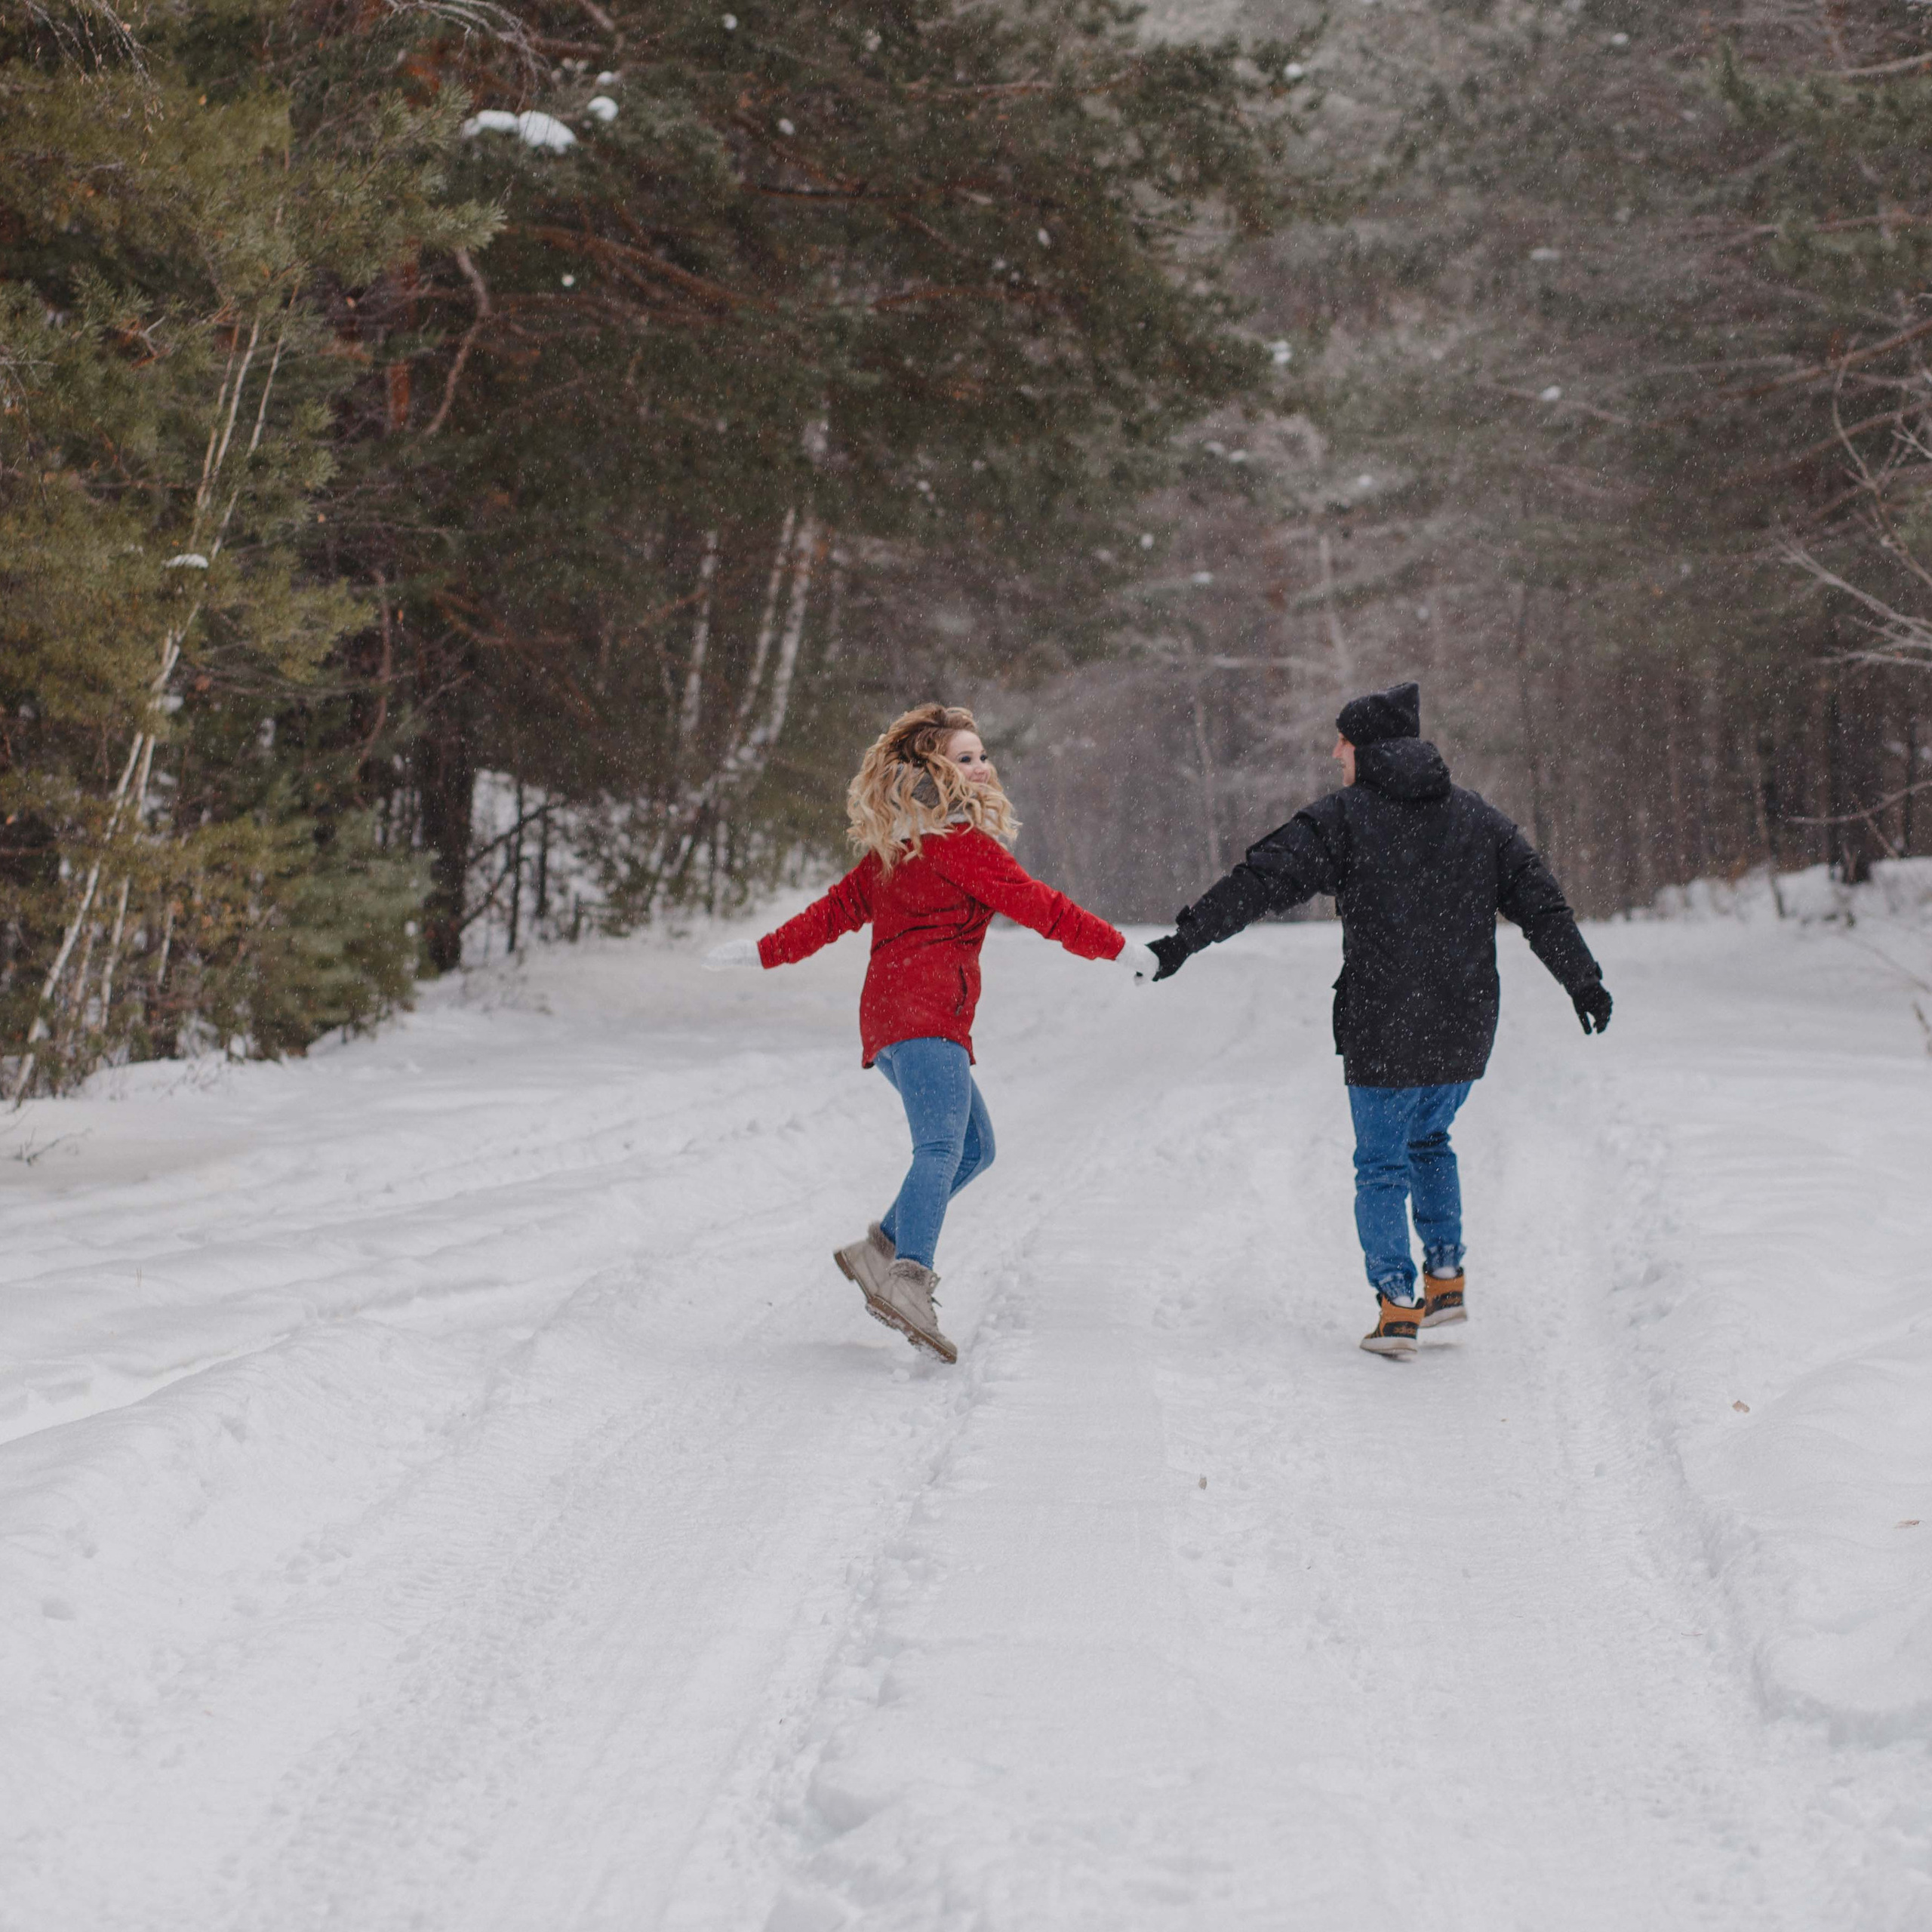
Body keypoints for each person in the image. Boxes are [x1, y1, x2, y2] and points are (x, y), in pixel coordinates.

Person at [1146, 681, 1612, 1360]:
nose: (1335, 752)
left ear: (1366, 748)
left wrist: (1185, 939)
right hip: (1464, 1025)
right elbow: (1542, 904)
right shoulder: (1479, 820)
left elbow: (1262, 878)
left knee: (1381, 1167)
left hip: (1383, 1021)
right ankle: (1445, 1276)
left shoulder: (1344, 819)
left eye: (1343, 741)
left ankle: (1398, 1303)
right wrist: (1584, 979)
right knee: (1431, 1137)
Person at [706, 703, 1157, 1364]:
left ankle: (879, 1249)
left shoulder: (903, 845)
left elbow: (832, 914)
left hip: (892, 1021)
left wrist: (763, 952)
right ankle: (908, 1280)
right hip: (924, 1019)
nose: (981, 767)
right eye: (965, 758)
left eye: (982, 755)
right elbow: (1044, 909)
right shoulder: (960, 846)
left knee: (976, 1147)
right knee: (942, 1147)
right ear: (935, 771)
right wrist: (1121, 950)